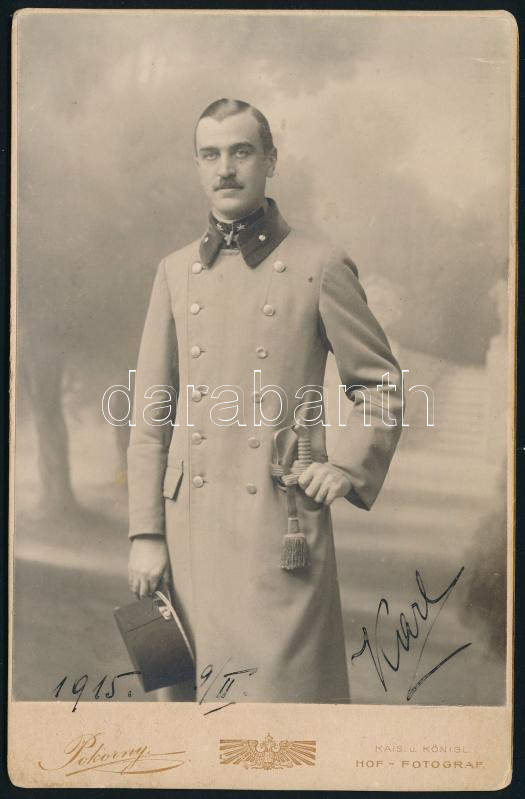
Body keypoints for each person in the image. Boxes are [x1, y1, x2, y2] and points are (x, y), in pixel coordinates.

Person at [127, 98, 403, 703]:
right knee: (194, 722)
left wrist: (346, 465)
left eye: (241, 152)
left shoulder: (319, 265)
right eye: (210, 154)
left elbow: (380, 385)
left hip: (280, 529)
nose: (225, 168)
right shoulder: (174, 272)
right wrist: (145, 533)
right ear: (198, 166)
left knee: (282, 717)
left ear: (270, 160)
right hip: (189, 536)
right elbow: (150, 417)